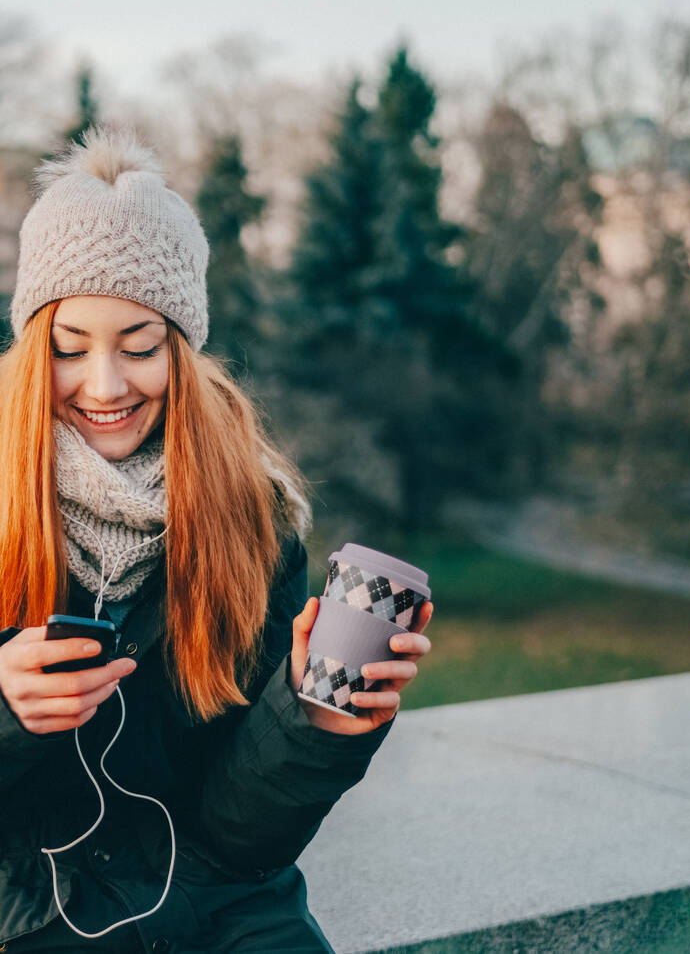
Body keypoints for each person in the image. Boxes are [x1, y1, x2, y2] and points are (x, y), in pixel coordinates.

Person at [0, 124, 433, 953]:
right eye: (69, 347)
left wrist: (311, 720)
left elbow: (239, 833)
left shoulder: (253, 520)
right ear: (31, 351)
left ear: (183, 350)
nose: (105, 384)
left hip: (221, 900)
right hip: (33, 907)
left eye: (139, 345)